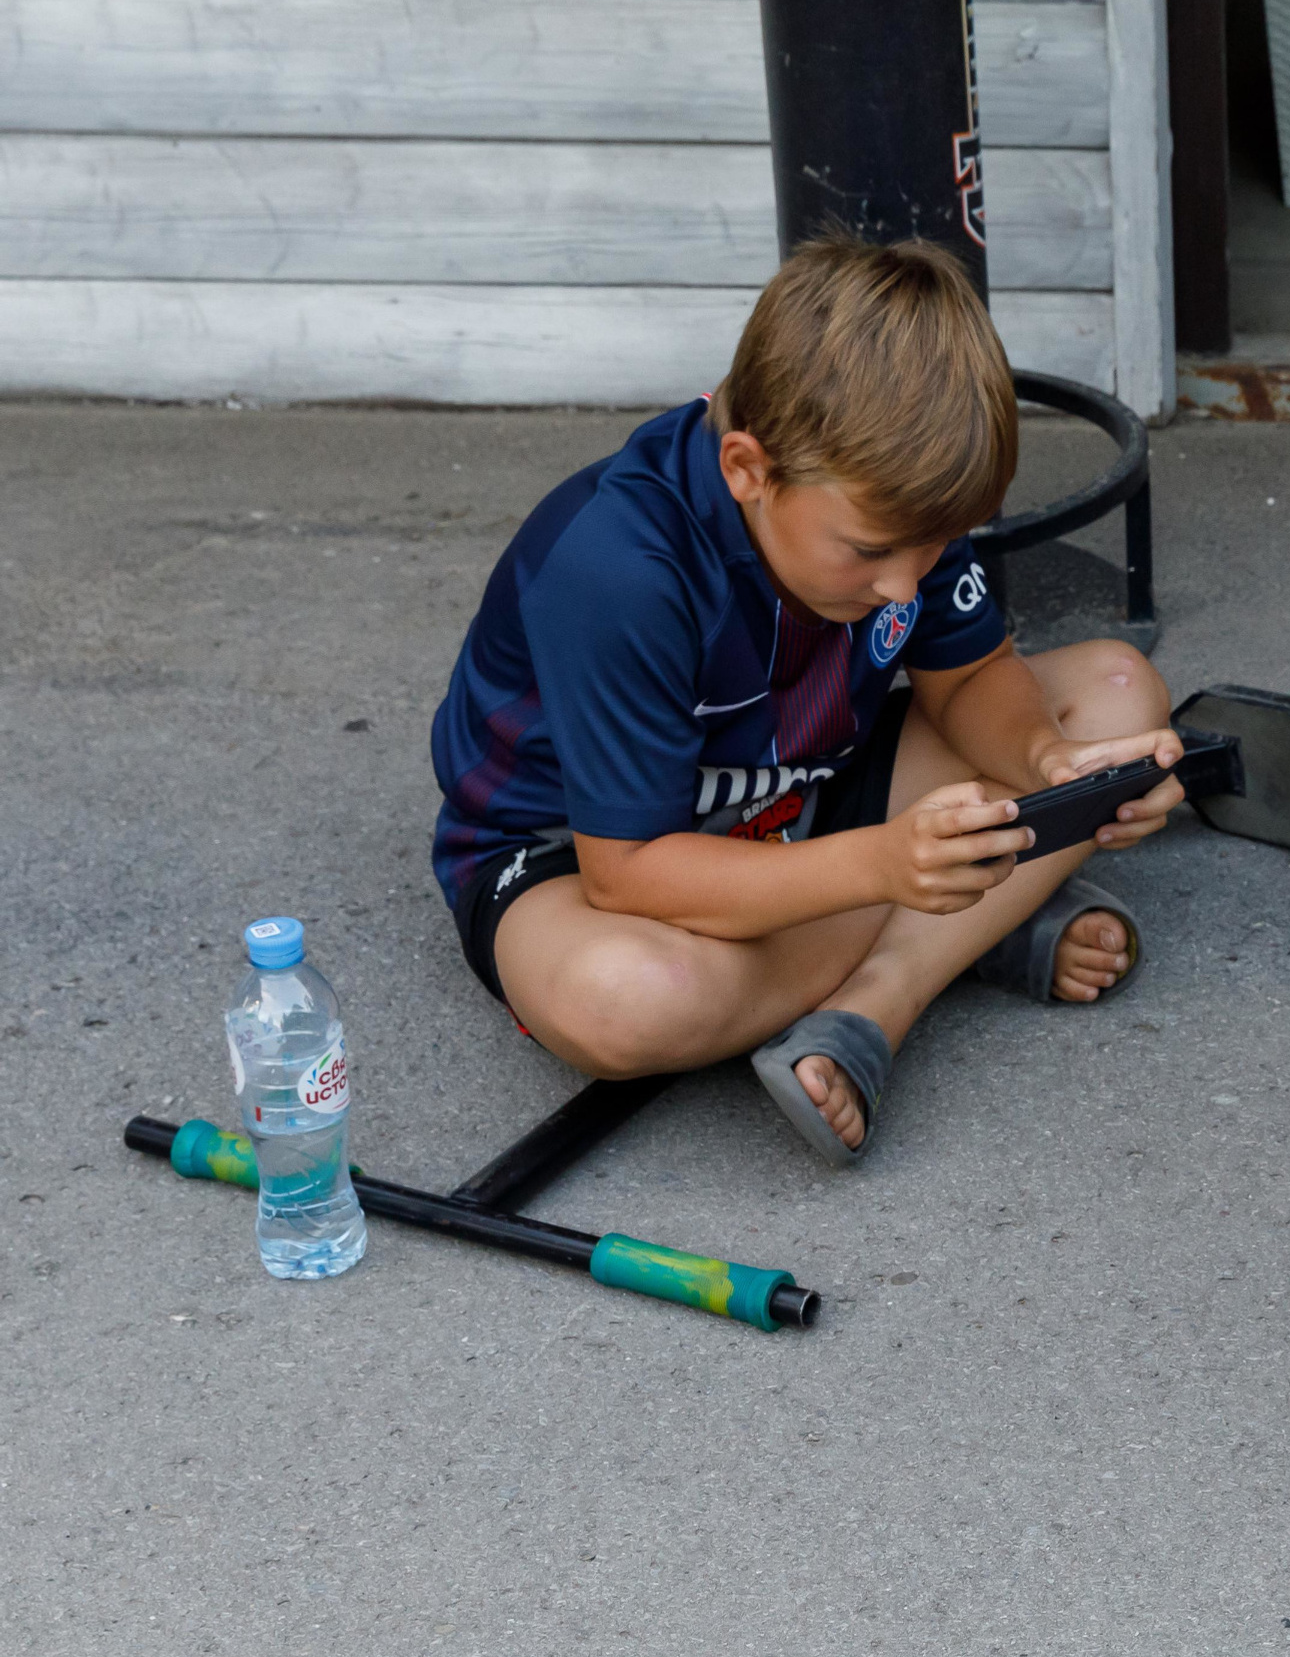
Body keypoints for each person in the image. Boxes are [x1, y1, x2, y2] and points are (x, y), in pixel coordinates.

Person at [428, 236, 1183, 1167]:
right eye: (870, 552)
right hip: (579, 862)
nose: (906, 587)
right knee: (619, 1002)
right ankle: (961, 924)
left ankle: (879, 1002)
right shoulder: (618, 570)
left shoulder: (893, 510)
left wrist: (1044, 765)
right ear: (747, 468)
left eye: (936, 548)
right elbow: (627, 874)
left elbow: (973, 677)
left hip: (806, 795)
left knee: (1117, 697)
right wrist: (885, 867)